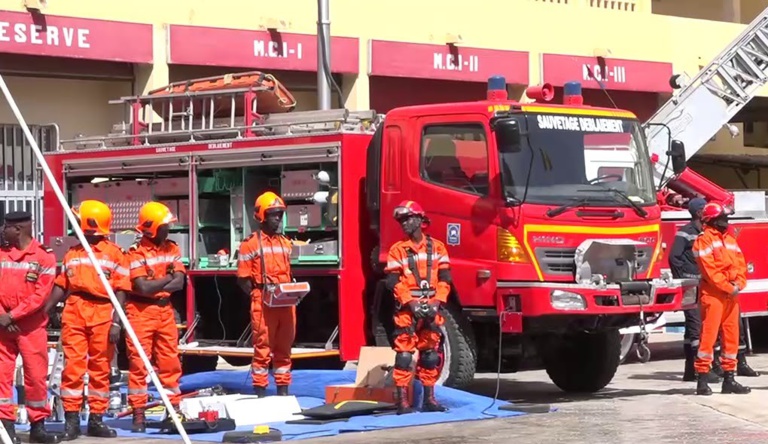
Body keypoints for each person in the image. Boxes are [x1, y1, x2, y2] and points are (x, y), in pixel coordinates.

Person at [44, 200, 129, 440]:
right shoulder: (73, 252)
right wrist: (46, 309)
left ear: (88, 223)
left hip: (103, 311)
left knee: (100, 368)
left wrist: (116, 322)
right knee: (72, 367)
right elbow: (63, 284)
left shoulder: (114, 254)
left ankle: (96, 420)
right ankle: (71, 420)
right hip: (76, 309)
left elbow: (122, 289)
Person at [384, 200, 450, 415]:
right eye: (401, 220)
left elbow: (445, 278)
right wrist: (411, 304)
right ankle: (402, 403)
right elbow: (393, 282)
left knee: (430, 354)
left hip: (432, 307)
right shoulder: (397, 250)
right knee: (404, 355)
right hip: (407, 309)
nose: (403, 223)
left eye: (408, 218)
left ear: (420, 219)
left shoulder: (438, 247)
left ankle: (429, 400)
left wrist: (436, 302)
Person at [0, 211, 61, 443]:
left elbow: (40, 296)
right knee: (1, 377)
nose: (2, 231)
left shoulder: (44, 257)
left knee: (35, 377)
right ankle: (6, 428)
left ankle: (38, 427)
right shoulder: (2, 254)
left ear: (18, 229)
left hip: (31, 327)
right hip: (3, 326)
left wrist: (13, 316)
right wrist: (2, 316)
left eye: (6, 227)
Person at [126, 202, 186, 432]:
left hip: (164, 309)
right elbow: (143, 287)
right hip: (141, 311)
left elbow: (179, 282)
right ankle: (138, 413)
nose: (167, 230)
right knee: (139, 362)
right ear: (150, 228)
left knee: (170, 361)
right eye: (164, 226)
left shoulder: (171, 248)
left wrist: (160, 283)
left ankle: (173, 409)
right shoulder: (135, 253)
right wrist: (166, 279)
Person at [237, 191, 295, 397]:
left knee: (284, 348)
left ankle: (283, 392)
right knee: (263, 348)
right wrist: (257, 295)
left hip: (285, 302)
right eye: (273, 214)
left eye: (280, 214)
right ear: (261, 216)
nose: (278, 218)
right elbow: (243, 279)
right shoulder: (250, 243)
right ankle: (260, 391)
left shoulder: (285, 242)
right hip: (263, 301)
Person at [693, 202, 751, 396]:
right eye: (723, 218)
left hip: (730, 295)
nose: (726, 221)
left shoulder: (730, 240)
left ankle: (729, 379)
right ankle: (702, 380)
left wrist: (739, 285)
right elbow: (710, 271)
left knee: (731, 337)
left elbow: (741, 265)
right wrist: (729, 287)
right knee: (708, 338)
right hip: (714, 295)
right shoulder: (704, 241)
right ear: (712, 220)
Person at [669, 197, 722, 383]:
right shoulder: (685, 233)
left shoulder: (707, 232)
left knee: (702, 326)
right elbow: (674, 257)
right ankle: (700, 370)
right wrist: (685, 279)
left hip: (704, 285)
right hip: (692, 287)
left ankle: (692, 370)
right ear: (699, 213)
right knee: (695, 328)